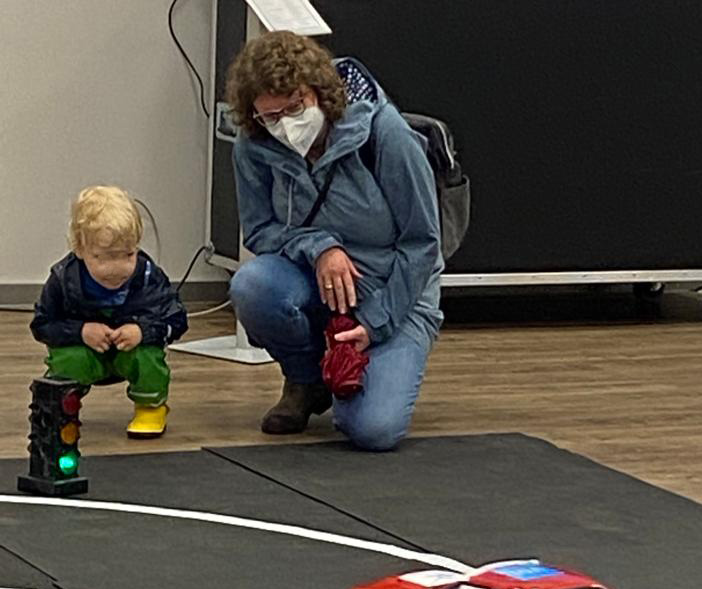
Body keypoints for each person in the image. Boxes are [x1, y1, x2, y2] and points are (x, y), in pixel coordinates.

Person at [226, 31, 443, 451]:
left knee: (375, 431)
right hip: (312, 278)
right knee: (253, 286)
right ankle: (305, 380)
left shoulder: (385, 133)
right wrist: (320, 247)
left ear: (320, 93)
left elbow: (422, 244)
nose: (286, 126)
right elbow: (259, 229)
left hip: (391, 288)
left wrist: (375, 322)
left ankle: (353, 374)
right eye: (271, 116)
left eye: (295, 107)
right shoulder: (253, 144)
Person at [30, 185, 188, 438]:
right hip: (86, 352)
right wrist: (81, 332)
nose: (117, 268)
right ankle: (63, 412)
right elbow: (42, 325)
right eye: (103, 258)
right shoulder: (63, 279)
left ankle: (150, 408)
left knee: (148, 354)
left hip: (130, 352)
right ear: (79, 249)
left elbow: (177, 319)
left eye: (128, 255)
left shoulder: (149, 277)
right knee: (68, 359)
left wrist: (143, 331)